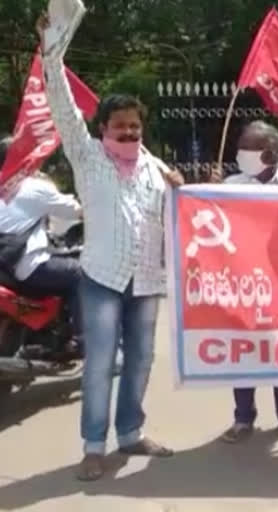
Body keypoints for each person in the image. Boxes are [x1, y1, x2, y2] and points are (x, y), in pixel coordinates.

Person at [38, 13, 184, 481]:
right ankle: (93, 446)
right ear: (102, 128)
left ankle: (131, 433)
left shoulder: (157, 167)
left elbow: (181, 215)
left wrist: (185, 190)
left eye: (135, 127)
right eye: (120, 126)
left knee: (141, 360)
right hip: (100, 277)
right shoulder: (85, 156)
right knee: (101, 362)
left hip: (146, 279)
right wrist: (50, 50)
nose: (128, 134)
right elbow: (60, 101)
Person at [213, 120, 278, 442]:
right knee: (245, 353)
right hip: (244, 286)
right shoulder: (230, 186)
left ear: (270, 154)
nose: (241, 154)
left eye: (248, 148)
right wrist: (209, 194)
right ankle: (243, 418)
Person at [0, 136, 83, 353]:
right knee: (81, 274)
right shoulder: (34, 186)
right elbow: (75, 211)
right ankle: (86, 340)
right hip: (25, 266)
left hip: (4, 268)